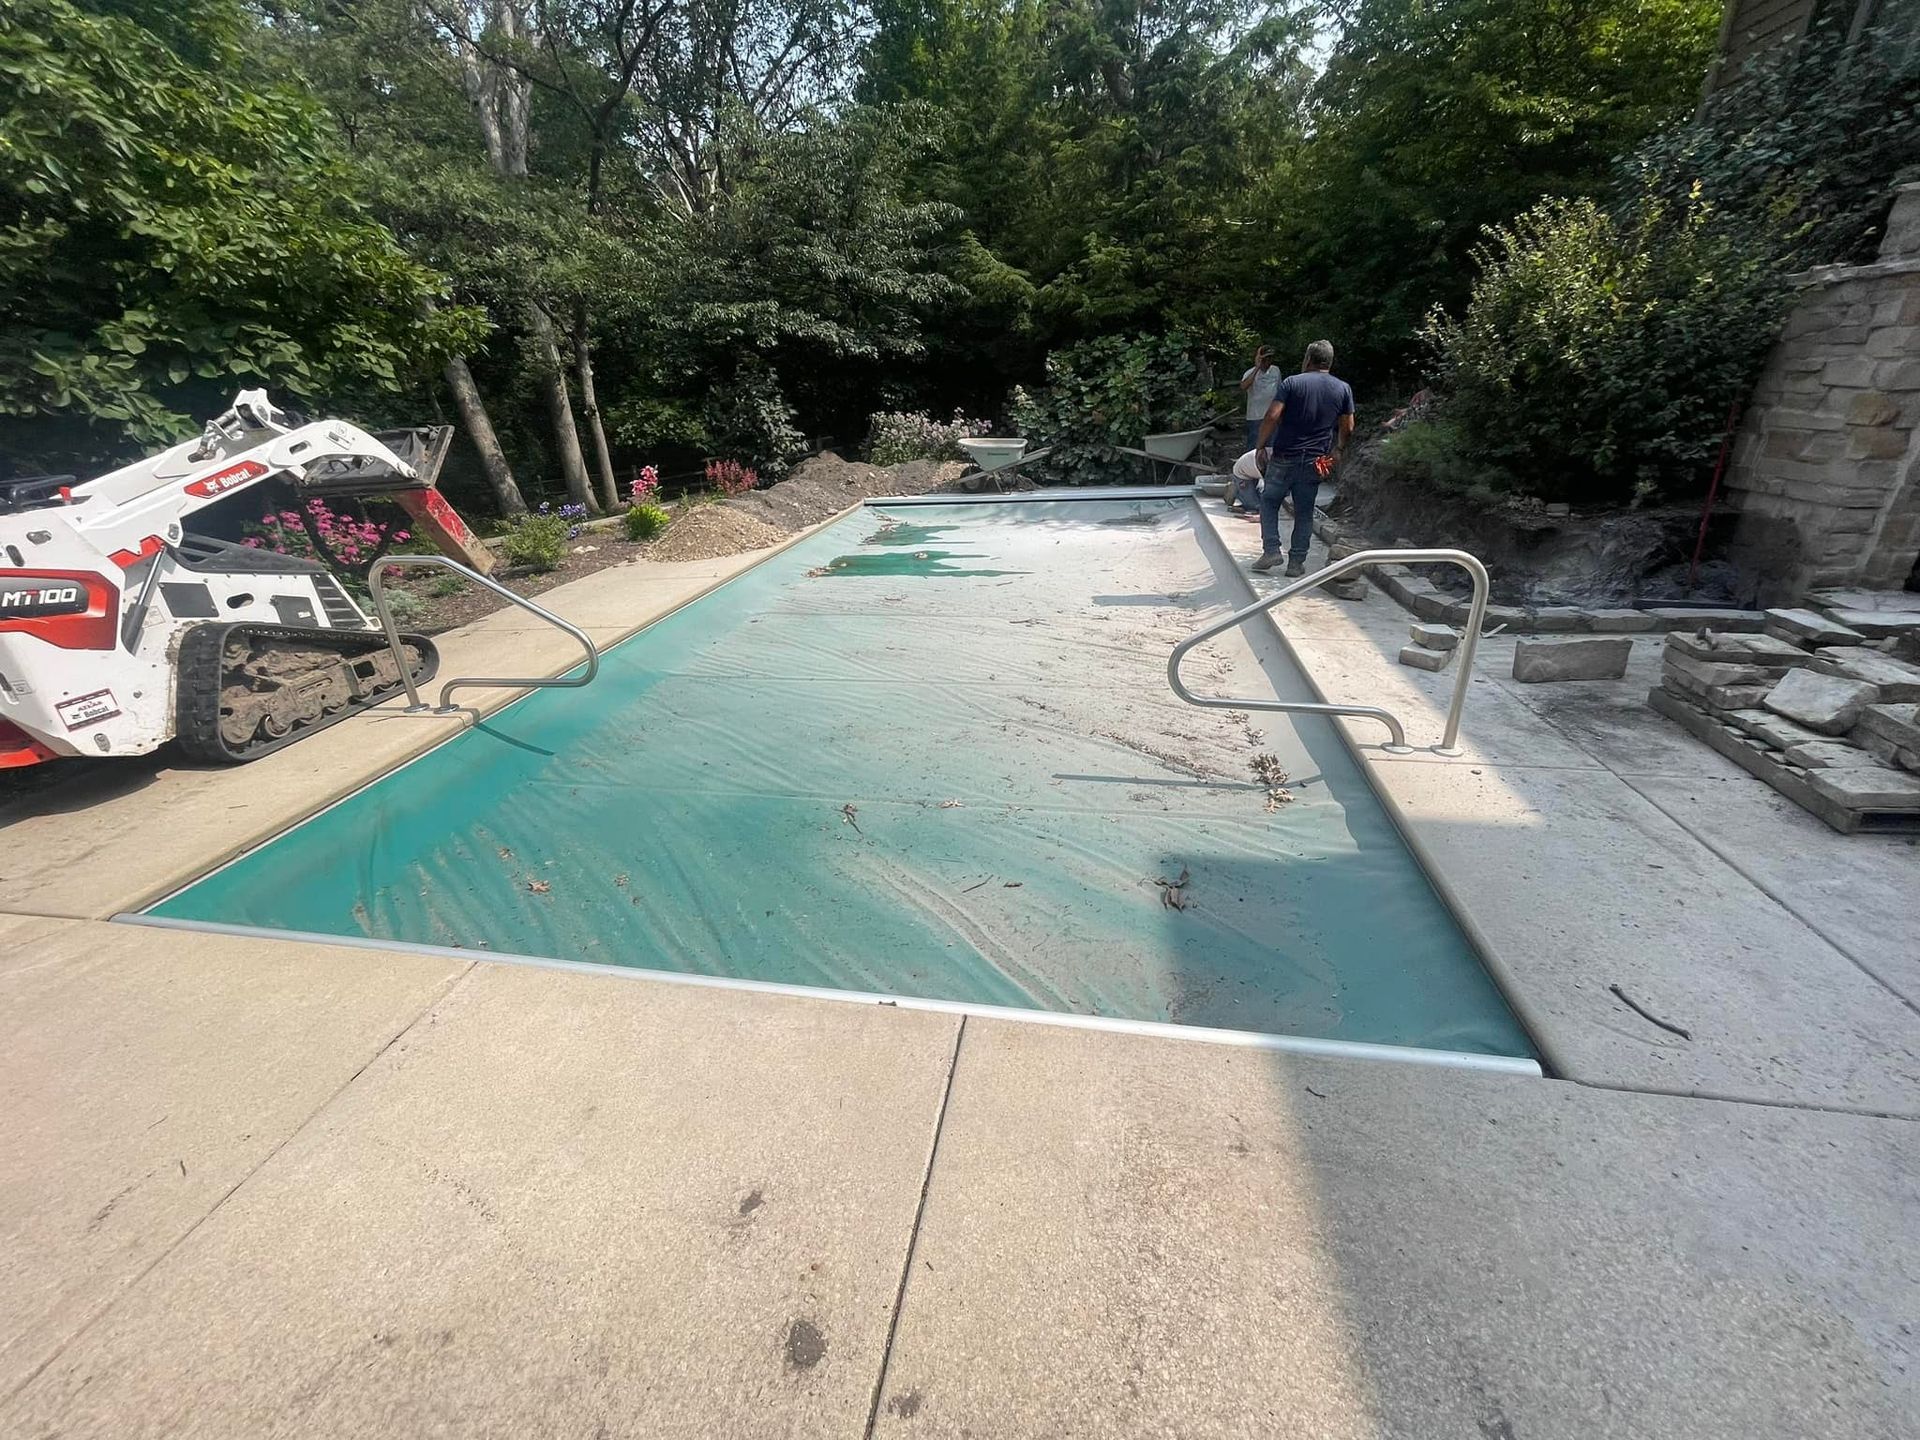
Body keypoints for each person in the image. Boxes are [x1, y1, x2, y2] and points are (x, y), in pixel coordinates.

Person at [1251, 340, 1354, 577]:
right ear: (1329, 361)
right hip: (1319, 459)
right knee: (1305, 510)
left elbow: (1272, 415)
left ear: (1308, 359)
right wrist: (1338, 448)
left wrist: (1260, 445)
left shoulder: (1292, 383)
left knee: (1269, 501)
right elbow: (1347, 426)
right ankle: (1296, 563)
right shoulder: (1343, 388)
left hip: (1285, 455)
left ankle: (1271, 550)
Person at [1234, 345, 1281, 512]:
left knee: (1272, 454)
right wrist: (1257, 368)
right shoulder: (1250, 373)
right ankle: (1249, 493)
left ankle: (1270, 491)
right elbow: (1243, 386)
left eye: (1270, 359)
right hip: (1255, 418)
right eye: (1264, 359)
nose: (1268, 362)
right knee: (1253, 454)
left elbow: (1280, 391)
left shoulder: (1276, 371)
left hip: (1273, 418)